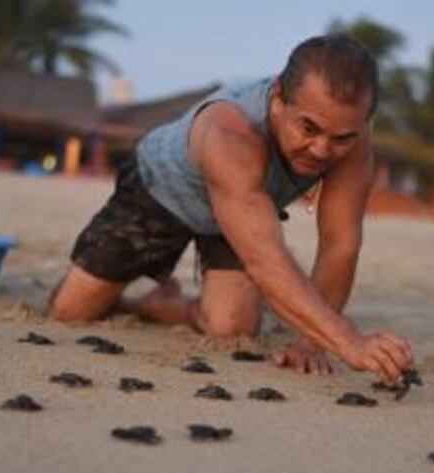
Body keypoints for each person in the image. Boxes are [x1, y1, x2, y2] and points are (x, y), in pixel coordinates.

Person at [48, 34, 414, 384]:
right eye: (308, 128)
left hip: (243, 212)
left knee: (232, 328)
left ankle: (153, 304)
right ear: (277, 98)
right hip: (160, 189)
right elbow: (264, 259)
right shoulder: (231, 132)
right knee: (69, 314)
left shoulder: (352, 140)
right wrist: (348, 340)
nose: (321, 149)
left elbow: (340, 245)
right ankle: (112, 292)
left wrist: (312, 343)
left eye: (341, 138)